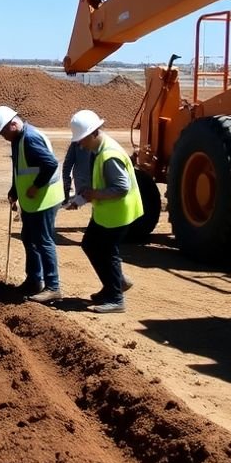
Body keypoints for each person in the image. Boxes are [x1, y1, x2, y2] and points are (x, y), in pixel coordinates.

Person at [63, 110, 144, 313]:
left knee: (107, 252)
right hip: (106, 212)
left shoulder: (109, 155)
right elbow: (100, 184)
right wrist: (82, 198)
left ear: (94, 133)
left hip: (118, 213)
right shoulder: (99, 150)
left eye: (82, 140)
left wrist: (94, 194)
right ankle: (113, 285)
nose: (81, 145)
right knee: (90, 244)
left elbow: (121, 188)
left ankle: (116, 299)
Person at [0, 105, 65, 302]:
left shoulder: (29, 139)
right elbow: (20, 168)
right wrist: (14, 190)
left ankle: (53, 287)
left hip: (45, 197)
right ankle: (34, 280)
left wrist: (36, 186)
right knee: (29, 237)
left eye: (3, 132)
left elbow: (51, 164)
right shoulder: (17, 139)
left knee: (43, 240)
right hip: (32, 200)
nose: (3, 137)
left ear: (13, 124)